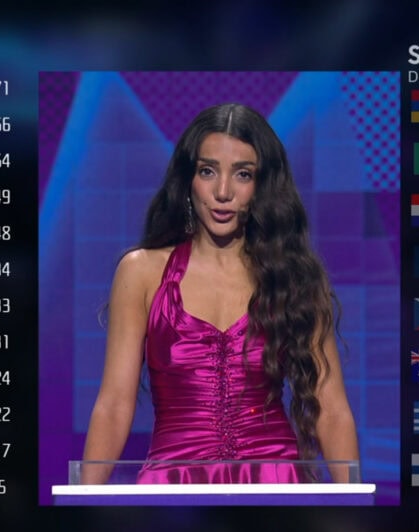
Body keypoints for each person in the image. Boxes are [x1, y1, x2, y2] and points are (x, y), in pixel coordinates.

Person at [80, 103, 359, 485]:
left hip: (275, 485)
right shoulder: (141, 272)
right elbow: (114, 404)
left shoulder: (295, 278)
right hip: (174, 487)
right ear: (188, 179)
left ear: (262, 186)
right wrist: (83, 500)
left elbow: (333, 410)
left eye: (243, 174)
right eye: (208, 171)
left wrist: (355, 501)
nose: (223, 192)